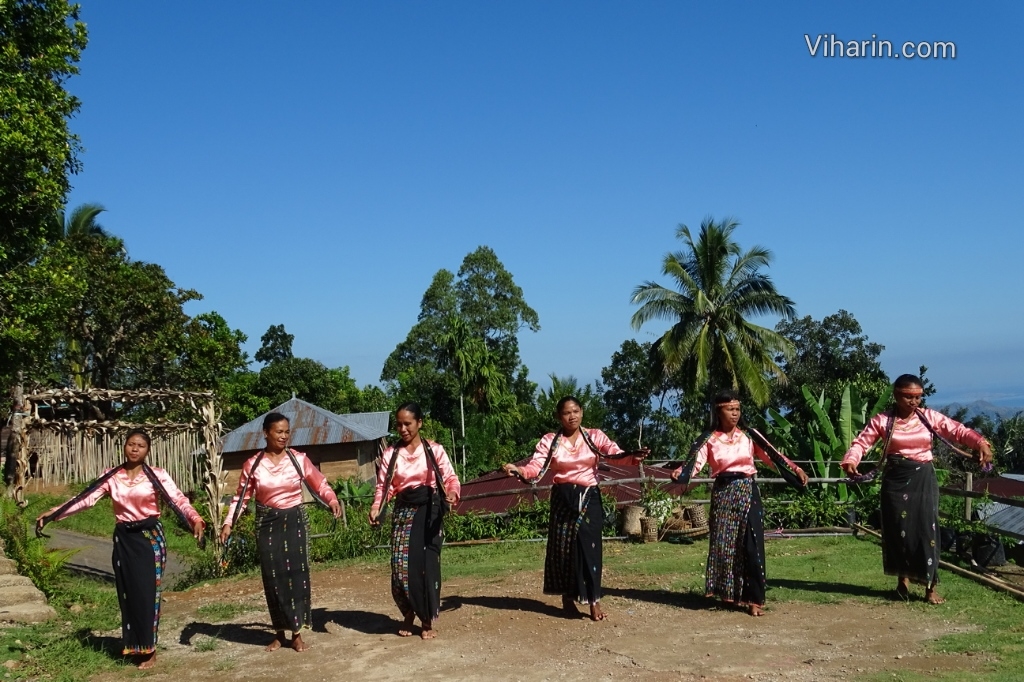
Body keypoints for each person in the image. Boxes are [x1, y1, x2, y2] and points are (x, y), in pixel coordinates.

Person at [36, 429, 205, 669]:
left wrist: (195, 519)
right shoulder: (112, 476)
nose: (135, 449)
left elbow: (178, 500)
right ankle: (134, 646)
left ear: (147, 451)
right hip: (124, 540)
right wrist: (55, 512)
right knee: (129, 593)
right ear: (124, 447)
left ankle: (150, 650)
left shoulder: (156, 475)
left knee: (147, 594)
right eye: (131, 444)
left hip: (150, 539)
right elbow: (85, 498)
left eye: (141, 446)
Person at [841, 374, 992, 604]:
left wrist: (980, 443)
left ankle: (930, 588)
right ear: (896, 396)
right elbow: (862, 442)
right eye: (908, 397)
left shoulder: (929, 418)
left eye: (918, 397)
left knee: (926, 531)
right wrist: (852, 460)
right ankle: (902, 580)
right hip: (895, 480)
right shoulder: (882, 421)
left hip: (923, 479)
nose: (914, 402)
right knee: (898, 530)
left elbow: (957, 430)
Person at [502, 396, 648, 621]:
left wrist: (632, 456)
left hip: (589, 496)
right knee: (564, 550)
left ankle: (593, 601)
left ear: (582, 412)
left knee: (590, 548)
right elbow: (536, 465)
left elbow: (613, 454)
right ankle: (568, 598)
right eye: (566, 413)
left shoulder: (594, 436)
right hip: (563, 498)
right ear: (559, 417)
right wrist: (519, 470)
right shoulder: (550, 441)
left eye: (576, 411)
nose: (572, 416)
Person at [672, 390, 808, 616]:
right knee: (726, 545)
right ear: (718, 411)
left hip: (748, 490)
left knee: (752, 544)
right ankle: (730, 595)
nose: (735, 414)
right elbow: (695, 463)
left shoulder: (750, 435)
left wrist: (795, 469)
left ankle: (754, 599)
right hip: (723, 493)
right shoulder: (709, 439)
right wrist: (680, 473)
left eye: (737, 409)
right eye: (730, 409)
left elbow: (772, 456)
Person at [219, 412, 342, 651]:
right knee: (273, 579)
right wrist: (228, 523)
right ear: (266, 433)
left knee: (296, 577)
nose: (284, 436)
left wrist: (332, 500)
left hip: (295, 521)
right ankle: (279, 633)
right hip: (267, 523)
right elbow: (241, 498)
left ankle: (296, 634)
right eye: (279, 431)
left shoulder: (298, 459)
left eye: (287, 432)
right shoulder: (253, 464)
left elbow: (320, 483)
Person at [369, 403, 460, 640]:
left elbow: (450, 477)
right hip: (403, 512)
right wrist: (376, 508)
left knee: (426, 567)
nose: (403, 429)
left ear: (419, 423)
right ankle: (408, 613)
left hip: (430, 511)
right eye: (398, 424)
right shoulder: (391, 454)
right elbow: (384, 487)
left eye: (407, 423)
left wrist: (451, 493)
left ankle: (427, 619)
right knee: (400, 567)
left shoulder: (434, 450)